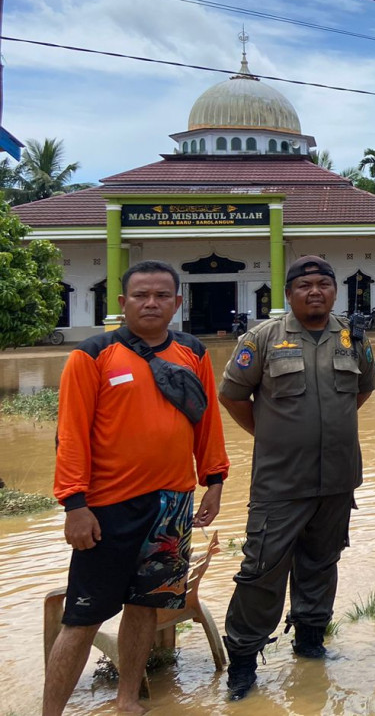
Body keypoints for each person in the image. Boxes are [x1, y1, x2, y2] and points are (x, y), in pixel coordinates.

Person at [43, 260, 229, 716]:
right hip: (107, 508)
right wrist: (74, 505)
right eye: (141, 295)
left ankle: (128, 700)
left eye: (162, 295)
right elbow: (71, 435)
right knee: (83, 617)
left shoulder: (193, 352)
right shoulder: (92, 355)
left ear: (177, 303)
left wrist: (214, 481)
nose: (151, 303)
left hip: (172, 506)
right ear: (122, 302)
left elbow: (206, 421)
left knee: (146, 606)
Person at [219, 255, 375, 700]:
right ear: (288, 294)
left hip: (337, 479)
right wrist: (273, 435)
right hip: (280, 482)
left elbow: (364, 389)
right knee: (261, 570)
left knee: (322, 563)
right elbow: (232, 396)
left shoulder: (352, 335)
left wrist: (326, 432)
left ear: (334, 291)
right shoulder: (263, 338)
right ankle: (244, 663)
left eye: (324, 284)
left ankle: (310, 643)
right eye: (304, 285)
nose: (315, 292)